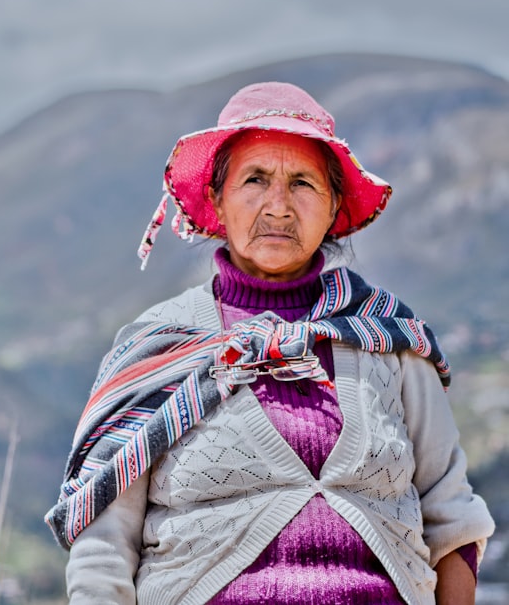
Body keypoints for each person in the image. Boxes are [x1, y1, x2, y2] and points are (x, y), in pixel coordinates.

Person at [47, 82, 494, 604]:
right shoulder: (159, 349)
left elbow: (452, 521)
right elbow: (103, 550)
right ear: (216, 199)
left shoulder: (387, 339)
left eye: (302, 183)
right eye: (254, 179)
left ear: (333, 207)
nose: (278, 206)